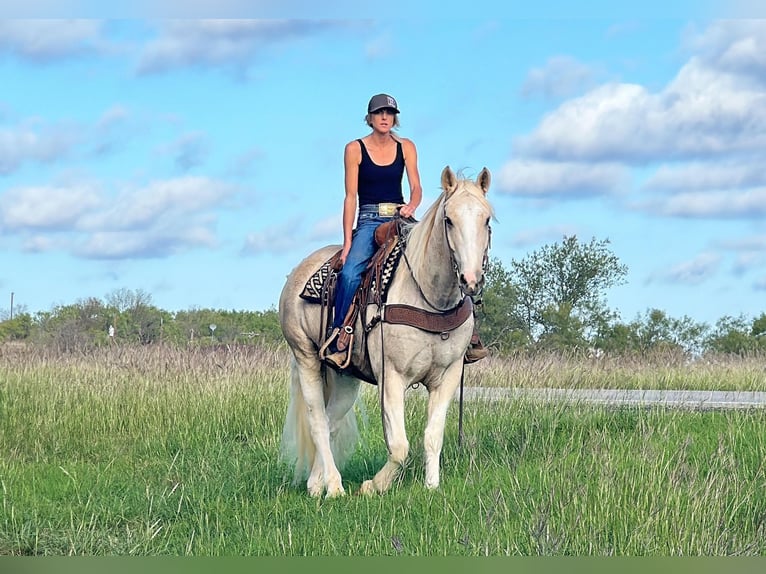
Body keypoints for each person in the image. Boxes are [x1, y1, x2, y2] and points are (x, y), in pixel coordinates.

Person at [323, 93, 487, 368]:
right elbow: (350, 197)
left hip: (401, 215)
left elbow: (417, 186)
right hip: (369, 217)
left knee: (442, 256)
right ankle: (340, 333)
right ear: (370, 118)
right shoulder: (354, 149)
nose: (385, 117)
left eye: (389, 113)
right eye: (379, 113)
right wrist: (347, 242)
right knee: (351, 273)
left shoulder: (406, 147)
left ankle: (468, 333)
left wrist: (412, 205)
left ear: (395, 118)